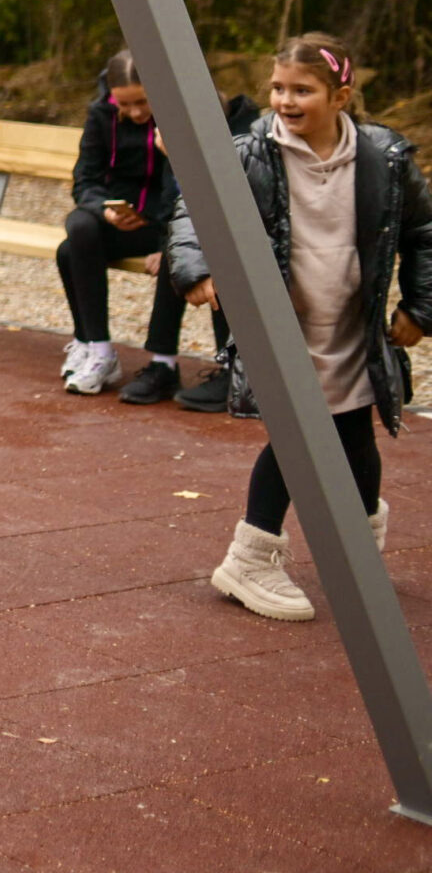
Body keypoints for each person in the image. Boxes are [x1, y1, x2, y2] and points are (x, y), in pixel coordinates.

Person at [170, 33, 432, 622]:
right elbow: (194, 209)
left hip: (351, 322)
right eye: (278, 87)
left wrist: (420, 307)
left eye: (302, 90)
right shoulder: (250, 152)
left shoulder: (383, 157)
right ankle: (250, 557)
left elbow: (424, 231)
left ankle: (354, 548)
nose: (285, 100)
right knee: (296, 436)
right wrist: (197, 268)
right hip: (283, 323)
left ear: (342, 95)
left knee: (355, 430)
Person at [55, 48, 206, 402]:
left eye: (143, 101)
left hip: (167, 225)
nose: (136, 112)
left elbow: (188, 186)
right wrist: (105, 210)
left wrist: (168, 239)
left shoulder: (179, 116)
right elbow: (84, 179)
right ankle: (99, 349)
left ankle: (161, 363)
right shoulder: (99, 116)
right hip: (120, 222)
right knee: (77, 231)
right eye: (125, 105)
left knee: (174, 259)